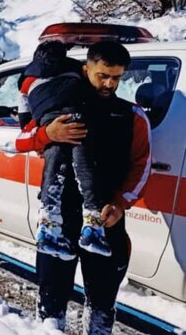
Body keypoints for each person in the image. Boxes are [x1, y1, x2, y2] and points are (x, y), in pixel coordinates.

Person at [16, 41, 152, 334]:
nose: (109, 83)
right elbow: (21, 139)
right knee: (51, 302)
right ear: (86, 68)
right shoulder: (59, 103)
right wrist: (47, 134)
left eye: (116, 77)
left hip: (105, 218)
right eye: (103, 75)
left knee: (102, 306)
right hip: (60, 219)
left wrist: (120, 202)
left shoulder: (132, 116)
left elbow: (143, 164)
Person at [18, 41, 108, 260]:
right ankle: (93, 226)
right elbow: (87, 95)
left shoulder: (25, 78)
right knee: (85, 164)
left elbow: (23, 126)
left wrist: (44, 132)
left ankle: (48, 228)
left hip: (47, 119)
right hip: (77, 116)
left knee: (54, 161)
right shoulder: (76, 67)